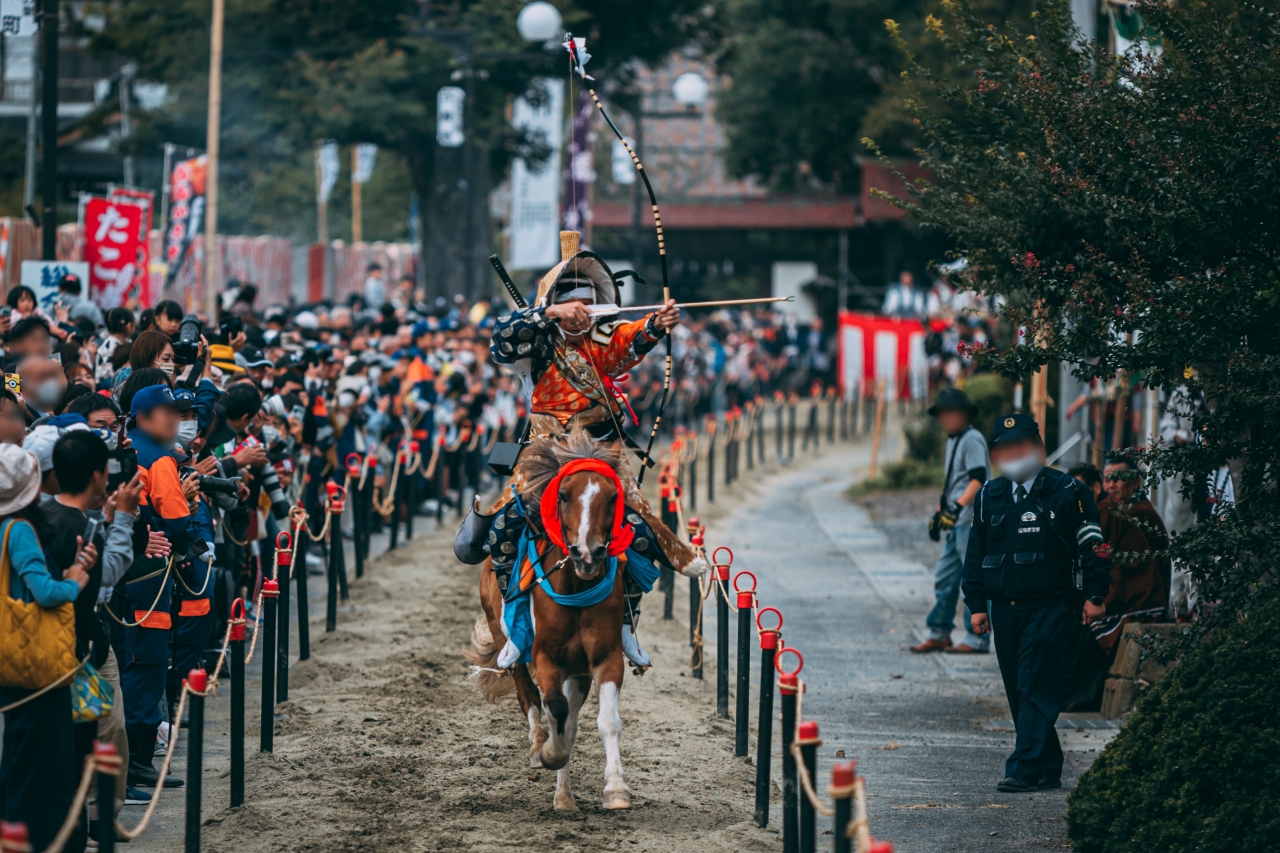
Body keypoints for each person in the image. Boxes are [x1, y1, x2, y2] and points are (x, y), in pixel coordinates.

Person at [482, 231, 706, 669]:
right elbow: (502, 339)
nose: (583, 318)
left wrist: (657, 325)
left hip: (600, 449)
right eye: (575, 309)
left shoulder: (598, 343)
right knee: (506, 525)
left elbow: (628, 342)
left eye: (590, 309)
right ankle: (517, 623)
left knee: (637, 525)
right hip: (546, 452)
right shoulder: (535, 345)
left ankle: (624, 621)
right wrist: (547, 312)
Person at [962, 413, 1112, 793]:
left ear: (1039, 448)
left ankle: (1024, 768)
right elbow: (976, 553)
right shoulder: (989, 496)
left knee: (1036, 686)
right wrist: (976, 604)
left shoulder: (1068, 492)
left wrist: (1096, 595)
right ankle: (1048, 763)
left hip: (1051, 606)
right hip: (1003, 609)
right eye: (1006, 447)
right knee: (1018, 689)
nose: (1015, 452)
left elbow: (1094, 546)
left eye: (1022, 445)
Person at [0, 444, 96, 852]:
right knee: (42, 767)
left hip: (11, 663)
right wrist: (74, 580)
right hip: (37, 666)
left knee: (18, 761)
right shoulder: (19, 528)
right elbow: (44, 591)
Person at [119, 382, 193, 789]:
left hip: (127, 576)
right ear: (142, 417)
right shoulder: (160, 460)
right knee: (146, 663)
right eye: (166, 412)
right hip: (150, 577)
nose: (175, 419)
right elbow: (179, 524)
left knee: (133, 661)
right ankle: (139, 763)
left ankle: (134, 760)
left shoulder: (129, 452)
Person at [912, 388, 991, 654]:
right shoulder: (952, 440)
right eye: (943, 413)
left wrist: (956, 509)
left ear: (965, 414)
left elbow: (978, 479)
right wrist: (939, 513)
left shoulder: (972, 439)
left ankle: (977, 638)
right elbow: (952, 483)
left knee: (972, 581)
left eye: (952, 413)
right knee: (945, 578)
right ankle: (939, 632)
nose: (946, 418)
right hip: (955, 521)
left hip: (969, 520)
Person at [16, 355, 67, 424]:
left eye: (53, 375)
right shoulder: (21, 415)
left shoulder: (62, 402)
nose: (50, 382)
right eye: (42, 377)